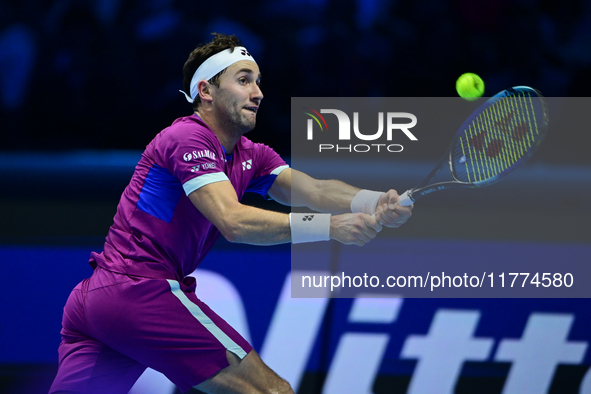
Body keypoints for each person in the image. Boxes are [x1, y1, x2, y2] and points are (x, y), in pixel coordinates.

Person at [49, 33, 413, 394]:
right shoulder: (186, 139)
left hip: (98, 300)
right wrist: (330, 227)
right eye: (243, 81)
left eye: (258, 82)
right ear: (206, 91)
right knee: (272, 392)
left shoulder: (251, 155)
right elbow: (233, 221)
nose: (258, 93)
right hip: (140, 290)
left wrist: (372, 201)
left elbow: (314, 190)